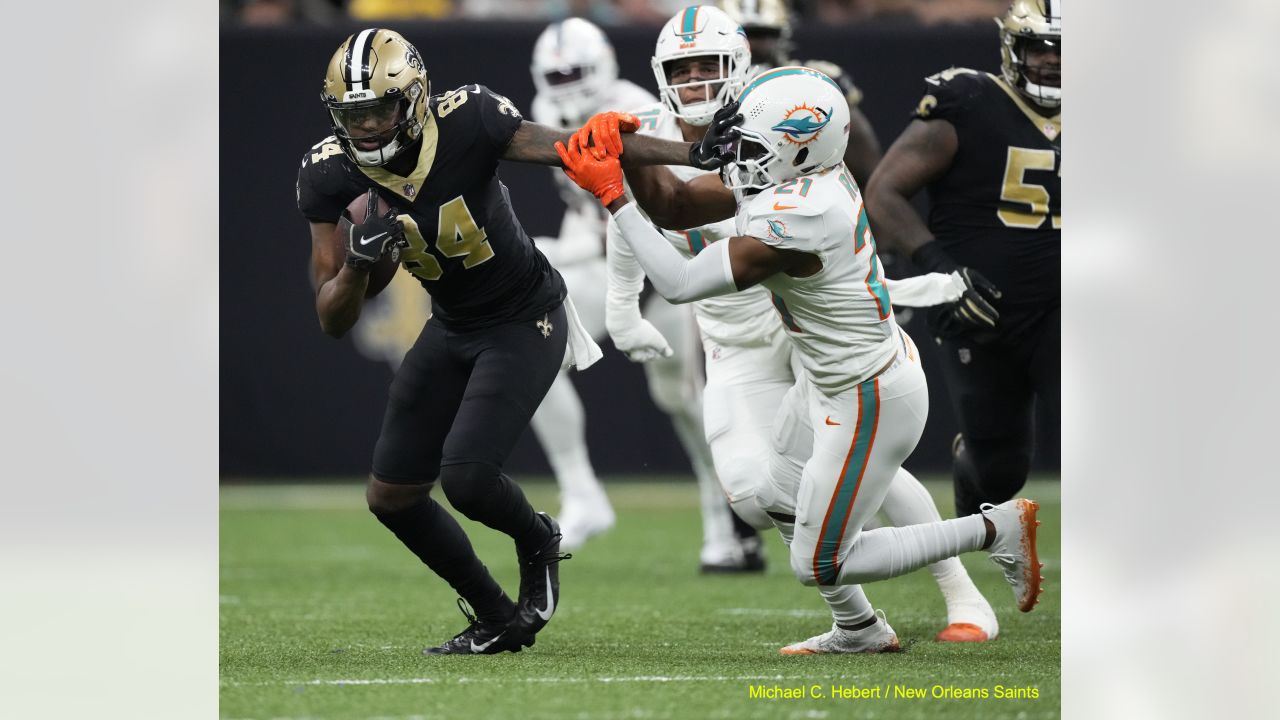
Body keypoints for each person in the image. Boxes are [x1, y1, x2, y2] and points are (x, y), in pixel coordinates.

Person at [559, 66, 1043, 653]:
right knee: (771, 496)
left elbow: (681, 281)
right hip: (824, 381)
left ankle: (995, 527)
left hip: (867, 394)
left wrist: (613, 195)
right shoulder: (801, 172)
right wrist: (629, 154)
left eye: (754, 144)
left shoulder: (801, 216)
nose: (741, 155)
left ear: (797, 148)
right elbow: (680, 204)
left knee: (817, 563)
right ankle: (859, 628)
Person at [296, 28, 722, 655]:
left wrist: (695, 154)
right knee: (391, 496)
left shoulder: (468, 120)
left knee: (467, 478)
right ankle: (495, 615)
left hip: (527, 314)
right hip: (453, 323)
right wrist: (357, 266)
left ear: (414, 98)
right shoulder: (329, 172)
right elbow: (332, 318)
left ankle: (539, 537)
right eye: (353, 114)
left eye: (380, 109)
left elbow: (578, 148)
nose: (366, 127)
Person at [864, 0, 1060, 517]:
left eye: (1065, 50)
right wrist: (938, 267)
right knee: (1000, 471)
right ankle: (971, 475)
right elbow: (883, 192)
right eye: (1039, 47)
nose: (1053, 61)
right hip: (979, 306)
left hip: (1065, 306)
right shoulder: (969, 100)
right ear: (1011, 47)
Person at [525, 18, 655, 550]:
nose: (566, 83)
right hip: (605, 256)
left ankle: (727, 526)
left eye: (575, 71)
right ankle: (581, 492)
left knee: (685, 398)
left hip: (664, 257)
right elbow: (585, 207)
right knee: (531, 345)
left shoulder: (638, 113)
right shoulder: (546, 112)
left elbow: (653, 215)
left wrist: (564, 250)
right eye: (555, 74)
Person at [718, 0, 882, 187]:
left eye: (762, 35)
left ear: (782, 34)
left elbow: (870, 175)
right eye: (744, 35)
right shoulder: (705, 88)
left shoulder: (815, 83)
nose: (752, 45)